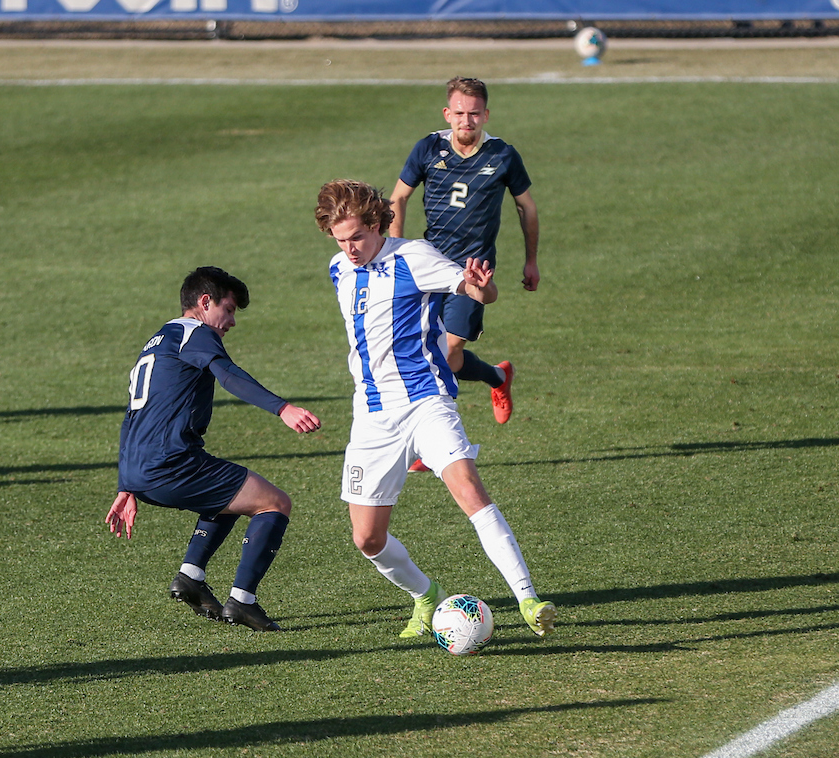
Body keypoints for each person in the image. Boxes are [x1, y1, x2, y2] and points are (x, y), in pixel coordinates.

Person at [314, 179, 555, 639]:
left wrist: (481, 290)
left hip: (426, 400)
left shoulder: (414, 257)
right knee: (367, 539)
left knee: (468, 489)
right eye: (340, 239)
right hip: (371, 416)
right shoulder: (338, 269)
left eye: (357, 238)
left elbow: (475, 290)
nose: (350, 248)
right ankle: (425, 595)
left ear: (377, 223)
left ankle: (528, 598)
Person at [105, 266, 321, 632]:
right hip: (172, 463)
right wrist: (283, 408)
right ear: (205, 303)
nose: (232, 321)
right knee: (274, 503)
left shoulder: (159, 340)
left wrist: (126, 484)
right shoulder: (196, 334)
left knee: (234, 495)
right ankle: (243, 601)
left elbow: (133, 413)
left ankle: (191, 576)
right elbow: (229, 375)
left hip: (143, 469)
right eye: (230, 309)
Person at [389, 76, 540, 429]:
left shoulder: (503, 154)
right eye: (459, 113)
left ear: (486, 115)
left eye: (474, 114)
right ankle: (497, 377)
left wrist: (530, 260)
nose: (466, 121)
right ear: (447, 114)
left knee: (445, 352)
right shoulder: (428, 149)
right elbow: (397, 198)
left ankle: (435, 438)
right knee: (430, 353)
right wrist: (396, 251)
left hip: (473, 269)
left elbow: (527, 208)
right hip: (428, 264)